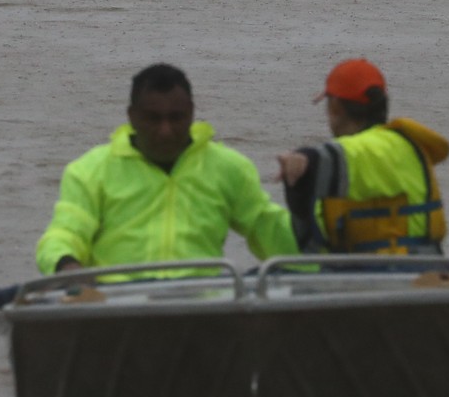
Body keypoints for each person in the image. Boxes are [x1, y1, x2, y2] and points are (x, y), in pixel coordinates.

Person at [35, 63, 297, 275]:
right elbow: (64, 233)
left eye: (176, 118)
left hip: (203, 312)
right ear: (132, 116)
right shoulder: (89, 171)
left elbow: (272, 233)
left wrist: (306, 189)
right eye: (153, 119)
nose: (165, 131)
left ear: (192, 113)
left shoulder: (229, 168)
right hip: (116, 312)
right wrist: (66, 265)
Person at [276, 58, 449, 256]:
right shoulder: (403, 145)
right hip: (369, 272)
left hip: (397, 273)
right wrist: (298, 196)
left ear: (335, 108)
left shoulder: (387, 147)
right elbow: (312, 247)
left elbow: (348, 158)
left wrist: (305, 160)